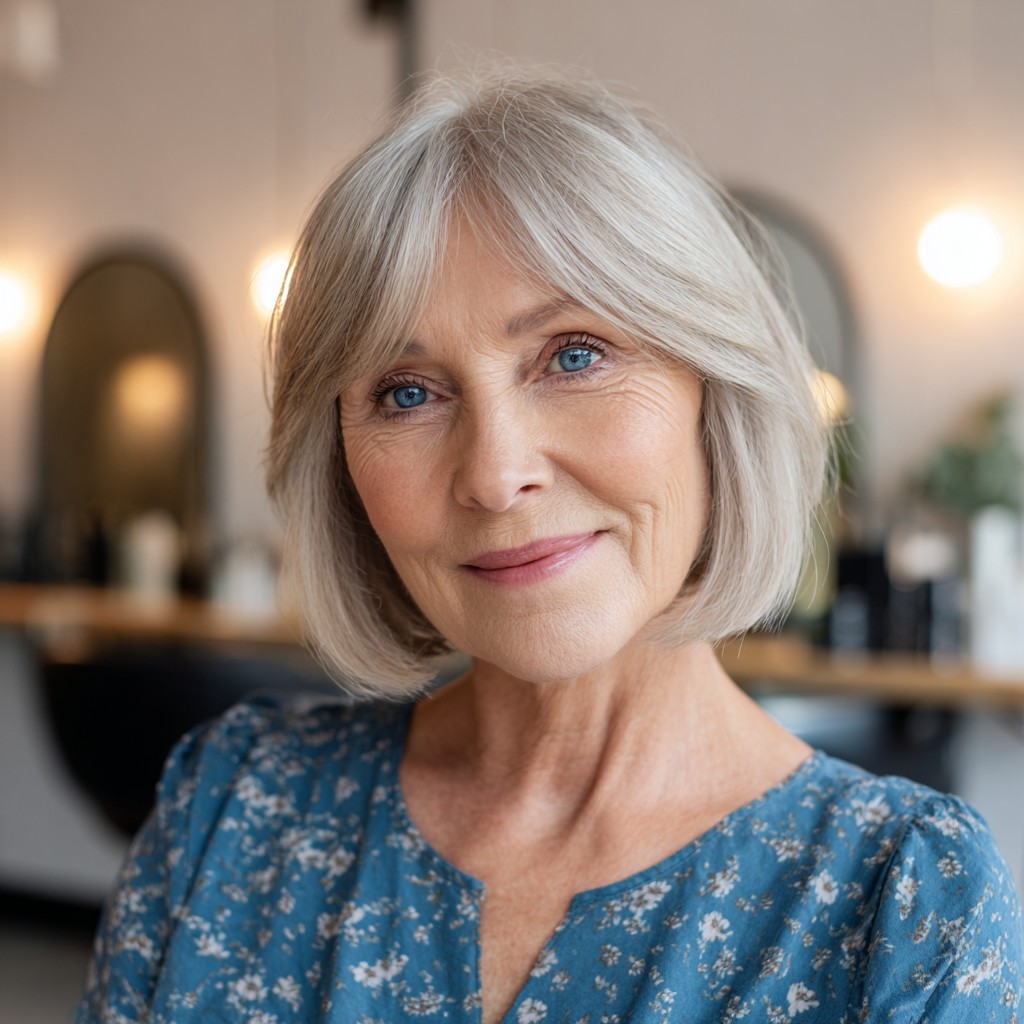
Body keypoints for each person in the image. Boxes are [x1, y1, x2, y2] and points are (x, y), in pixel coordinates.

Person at [78, 67, 1021, 1023]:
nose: (494, 473)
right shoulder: (236, 809)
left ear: (715, 391)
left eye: (574, 354)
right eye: (407, 392)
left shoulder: (908, 904)